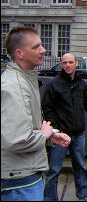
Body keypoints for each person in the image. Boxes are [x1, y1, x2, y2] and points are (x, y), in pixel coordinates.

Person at [1, 26, 71, 201]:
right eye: (36, 47)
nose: (43, 50)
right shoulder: (15, 87)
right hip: (20, 181)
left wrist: (49, 136)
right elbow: (16, 140)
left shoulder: (23, 81)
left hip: (22, 175)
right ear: (20, 53)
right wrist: (43, 135)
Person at [41, 53, 87, 201]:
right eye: (65, 62)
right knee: (54, 169)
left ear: (76, 64)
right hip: (60, 135)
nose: (68, 65)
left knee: (80, 166)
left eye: (70, 62)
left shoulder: (81, 84)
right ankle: (49, 198)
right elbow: (47, 108)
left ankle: (84, 194)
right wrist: (54, 131)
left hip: (79, 134)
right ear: (61, 65)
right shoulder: (53, 84)